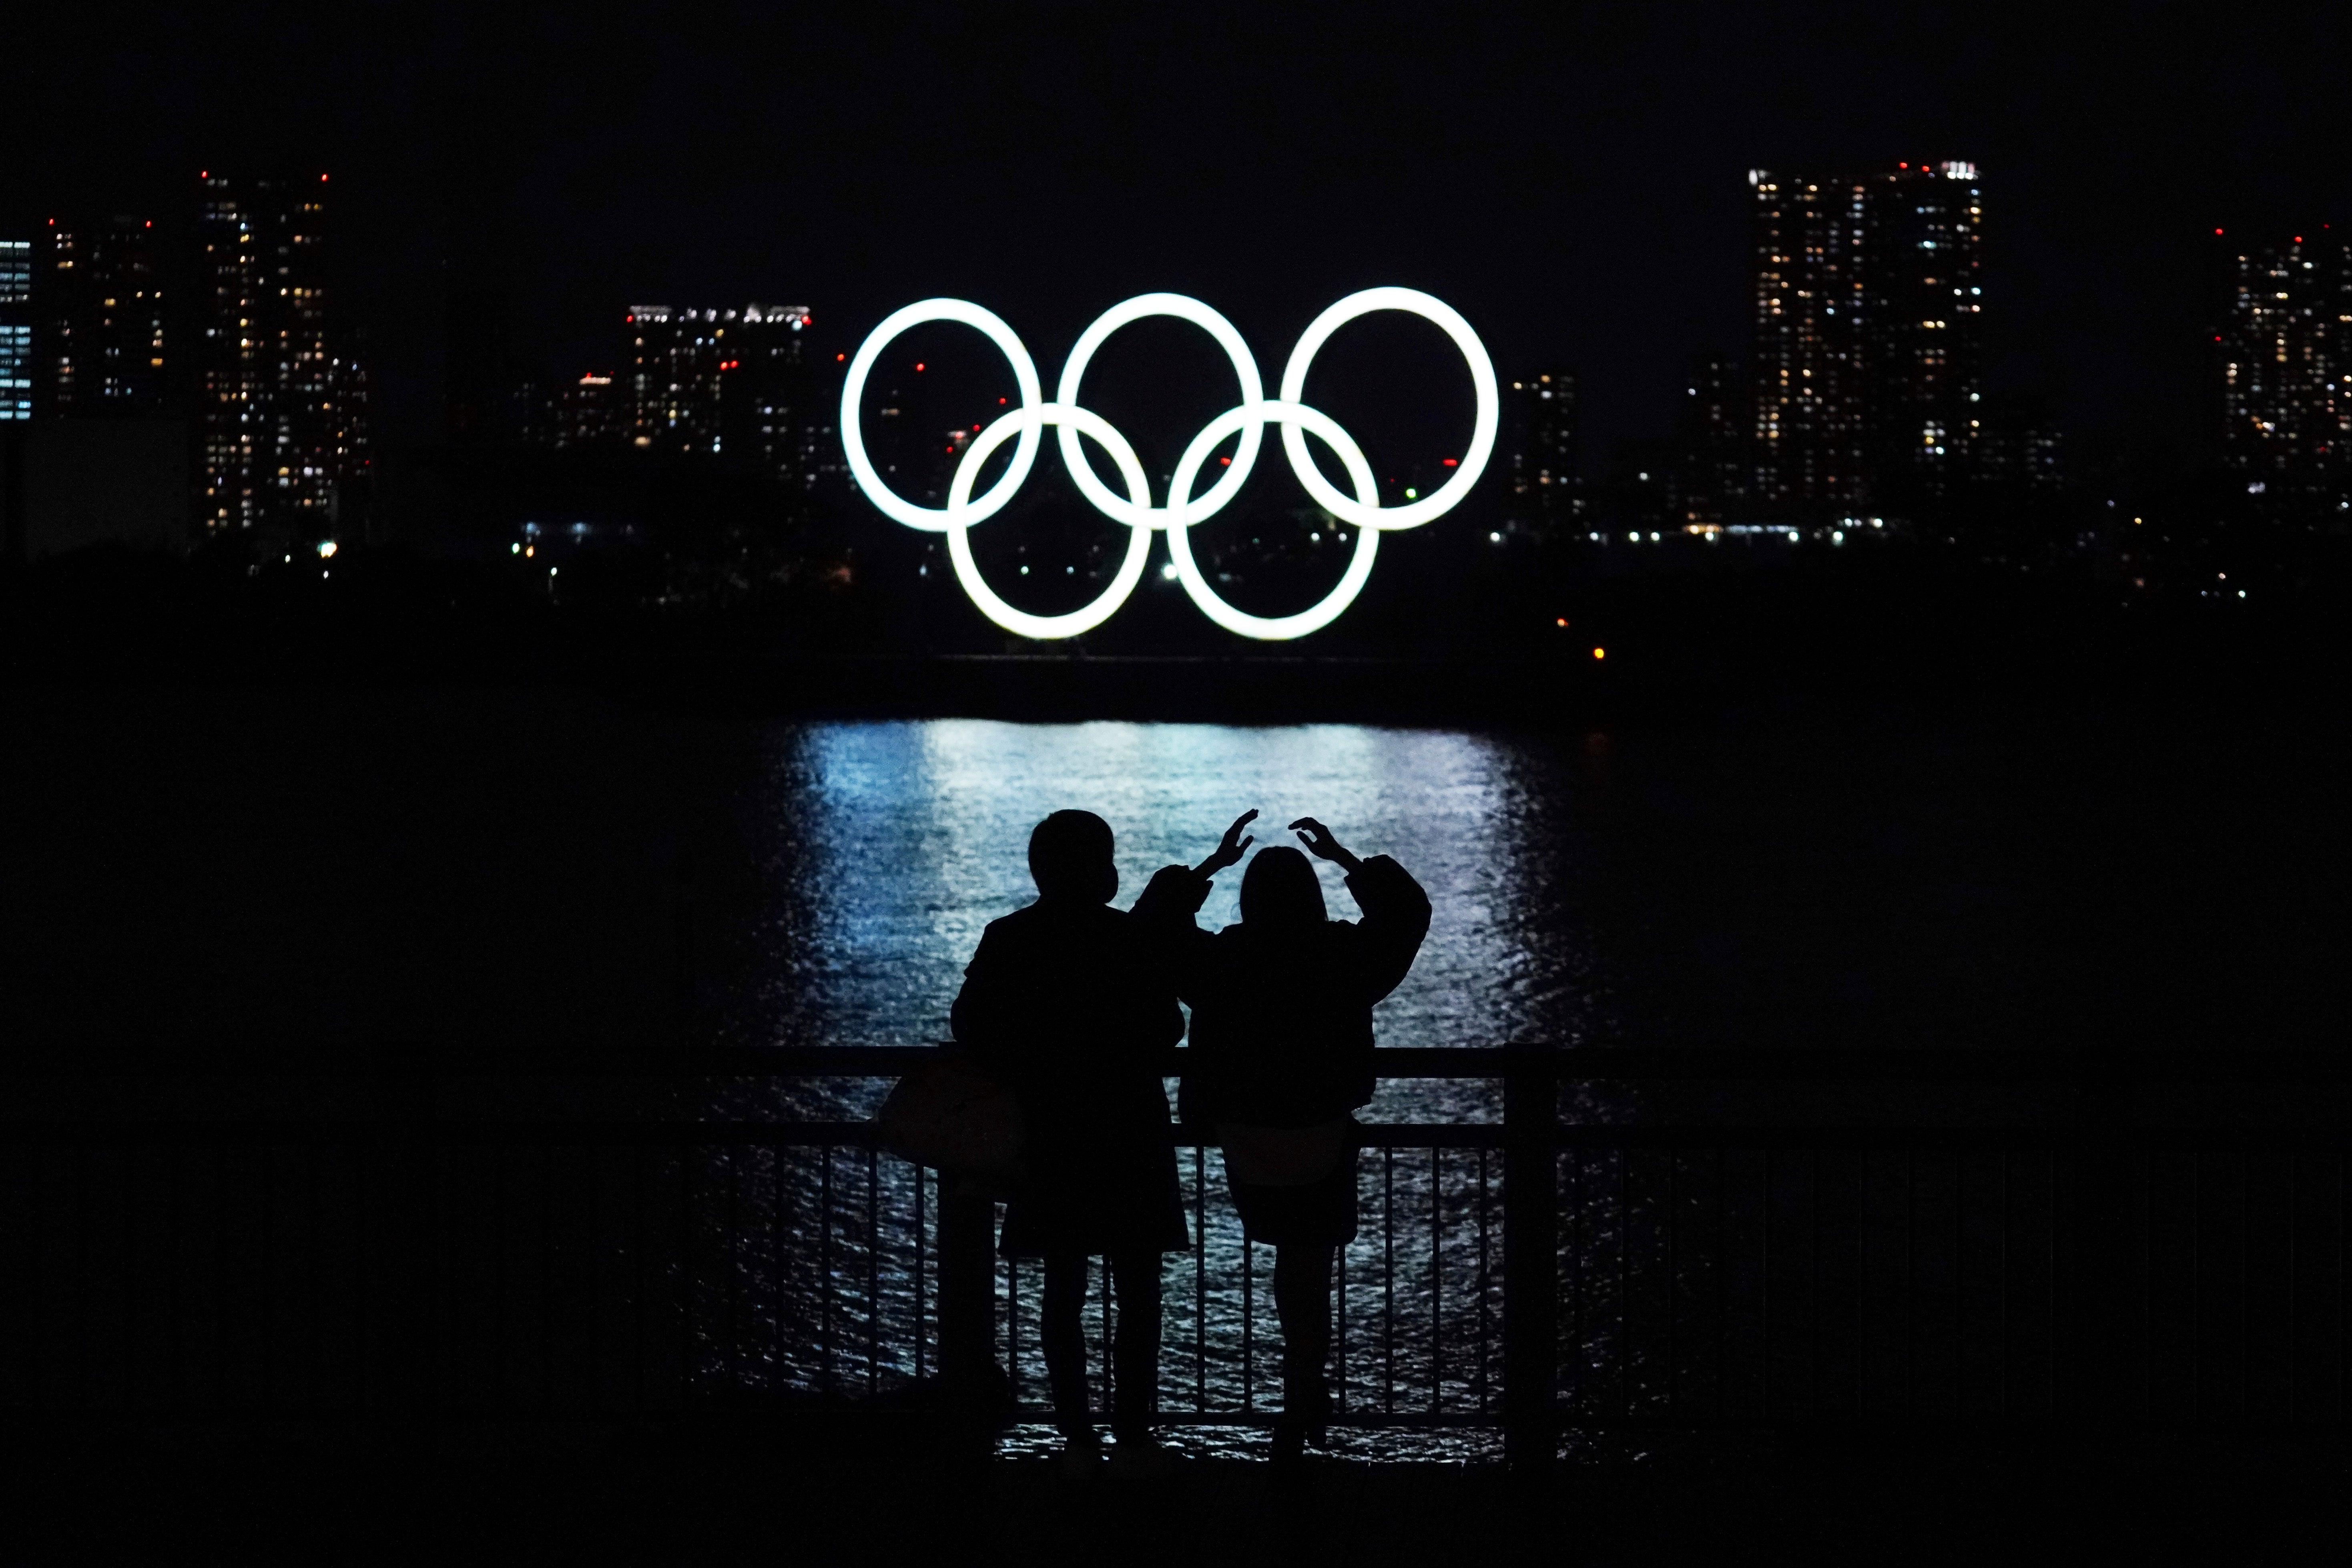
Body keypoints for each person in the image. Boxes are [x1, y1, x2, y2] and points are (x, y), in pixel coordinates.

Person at [1138, 811, 1431, 1461]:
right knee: (1309, 1266)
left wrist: (1209, 867)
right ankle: (1304, 1393)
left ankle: (1295, 1394)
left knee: (1284, 1259)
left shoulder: (1223, 960)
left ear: (1248, 898)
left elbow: (1151, 929)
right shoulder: (1343, 955)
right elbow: (1408, 911)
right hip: (1324, 1131)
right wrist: (1347, 859)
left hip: (1246, 1137)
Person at [949, 809, 1190, 1475]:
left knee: (1064, 1292)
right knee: (1139, 1293)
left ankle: (1077, 1439)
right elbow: (1169, 1028)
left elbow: (971, 1024)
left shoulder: (1010, 937)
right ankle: (1135, 1436)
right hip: (1131, 1133)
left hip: (1051, 1134)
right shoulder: (1132, 940)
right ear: (1103, 866)